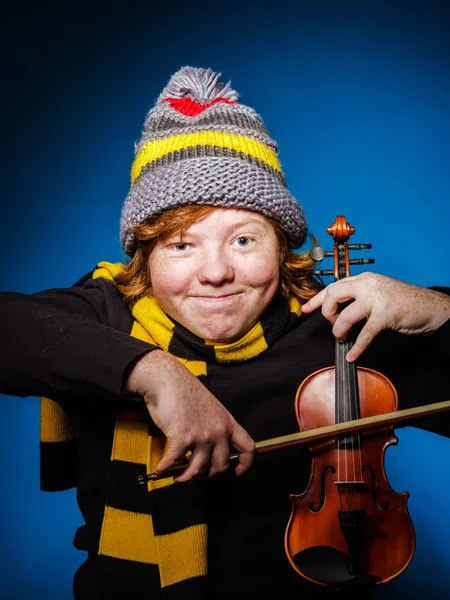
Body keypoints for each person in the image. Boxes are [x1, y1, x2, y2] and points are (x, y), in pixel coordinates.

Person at [1, 66, 449, 600]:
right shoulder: (105, 316)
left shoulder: (339, 333)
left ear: (283, 249)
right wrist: (153, 371)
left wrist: (443, 309)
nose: (215, 273)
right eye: (181, 244)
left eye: (242, 240)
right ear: (145, 256)